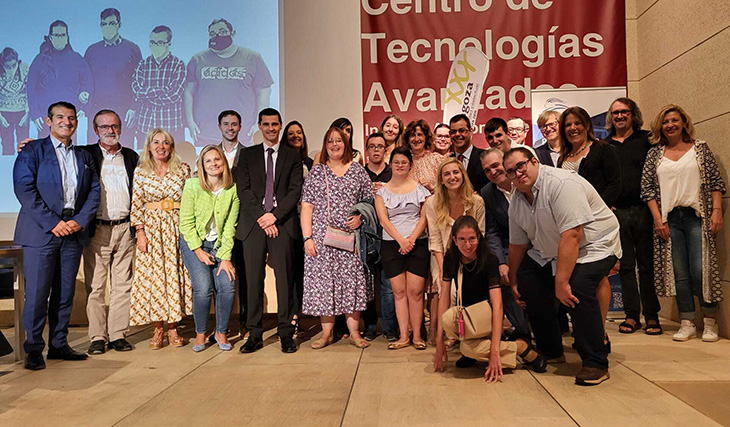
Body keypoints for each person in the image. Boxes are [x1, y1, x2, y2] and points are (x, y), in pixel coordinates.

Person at [505, 147, 622, 386]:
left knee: (576, 288)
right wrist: (514, 279)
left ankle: (595, 362)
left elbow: (573, 235)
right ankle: (551, 350)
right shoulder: (516, 201)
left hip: (594, 244)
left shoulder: (561, 183)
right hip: (551, 249)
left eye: (521, 165)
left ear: (534, 161)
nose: (517, 174)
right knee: (529, 282)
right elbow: (517, 245)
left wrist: (560, 282)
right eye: (510, 172)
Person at [13, 101, 100, 370]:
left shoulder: (84, 156)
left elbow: (94, 191)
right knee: (37, 294)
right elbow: (24, 189)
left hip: (72, 232)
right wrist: (53, 223)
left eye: (72, 117)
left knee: (64, 294)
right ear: (48, 121)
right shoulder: (33, 150)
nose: (67, 121)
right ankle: (34, 349)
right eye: (60, 117)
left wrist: (77, 221)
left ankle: (59, 344)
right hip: (41, 232)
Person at [641, 104, 726, 342]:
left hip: (696, 216)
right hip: (670, 220)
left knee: (701, 270)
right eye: (666, 121)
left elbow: (715, 182)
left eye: (675, 120)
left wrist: (717, 211)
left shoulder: (700, 149)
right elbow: (646, 189)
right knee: (679, 273)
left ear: (684, 123)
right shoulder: (655, 154)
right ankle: (687, 321)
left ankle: (710, 321)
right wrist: (658, 219)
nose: (670, 125)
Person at [433, 216, 546, 380]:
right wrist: (439, 342)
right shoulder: (451, 257)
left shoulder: (489, 259)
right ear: (454, 240)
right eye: (462, 240)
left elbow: (497, 304)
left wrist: (494, 352)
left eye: (472, 239)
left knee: (468, 349)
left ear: (478, 237)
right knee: (448, 319)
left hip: (489, 314)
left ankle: (521, 348)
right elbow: (444, 296)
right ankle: (483, 348)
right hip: (468, 314)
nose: (467, 245)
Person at [301, 126, 374, 349]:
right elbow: (307, 207)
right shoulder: (317, 172)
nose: (334, 145)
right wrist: (307, 238)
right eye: (330, 141)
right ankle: (326, 334)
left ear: (346, 144)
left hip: (351, 239)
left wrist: (361, 218)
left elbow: (370, 200)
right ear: (325, 145)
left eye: (339, 141)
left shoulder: (358, 171)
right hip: (322, 241)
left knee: (352, 283)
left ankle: (354, 332)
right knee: (324, 285)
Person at [236, 108, 302, 354]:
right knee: (253, 280)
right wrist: (263, 217)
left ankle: (286, 333)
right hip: (254, 225)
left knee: (285, 281)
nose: (271, 128)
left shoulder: (292, 156)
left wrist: (273, 216)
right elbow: (243, 190)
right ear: (259, 126)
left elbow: (295, 191)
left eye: (275, 124)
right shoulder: (248, 155)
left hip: (282, 224)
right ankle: (254, 333)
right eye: (266, 124)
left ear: (281, 125)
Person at [557, 106, 621, 347]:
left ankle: (600, 331)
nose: (572, 128)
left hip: (597, 224)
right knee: (578, 277)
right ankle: (585, 329)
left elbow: (615, 184)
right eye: (567, 125)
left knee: (598, 276)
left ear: (586, 125)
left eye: (577, 123)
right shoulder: (562, 158)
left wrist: (594, 211)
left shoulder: (603, 150)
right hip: (573, 226)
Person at [81, 110, 139, 354]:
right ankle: (97, 336)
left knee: (122, 285)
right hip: (97, 229)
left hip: (125, 228)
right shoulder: (85, 155)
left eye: (114, 126)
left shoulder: (131, 156)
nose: (110, 131)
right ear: (96, 130)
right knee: (96, 287)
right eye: (104, 127)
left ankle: (117, 335)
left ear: (121, 128)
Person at [129, 128, 192, 349]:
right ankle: (157, 330)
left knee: (174, 277)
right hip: (152, 230)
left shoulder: (183, 169)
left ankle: (173, 328)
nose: (161, 146)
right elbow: (136, 203)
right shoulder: (141, 172)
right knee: (155, 280)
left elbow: (189, 201)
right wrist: (140, 232)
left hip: (176, 228)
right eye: (156, 142)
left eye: (165, 142)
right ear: (148, 147)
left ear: (171, 147)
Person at [604, 98, 661, 335]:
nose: (619, 116)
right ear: (611, 117)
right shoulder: (604, 145)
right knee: (625, 266)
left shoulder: (647, 140)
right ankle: (631, 316)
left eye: (624, 112)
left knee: (647, 265)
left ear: (632, 114)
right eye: (615, 113)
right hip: (618, 213)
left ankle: (651, 316)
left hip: (644, 210)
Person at [180, 145, 239, 352]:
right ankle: (200, 332)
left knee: (227, 284)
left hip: (221, 245)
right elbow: (186, 223)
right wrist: (198, 250)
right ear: (202, 166)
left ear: (224, 162)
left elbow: (231, 226)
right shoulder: (192, 186)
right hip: (194, 244)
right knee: (204, 288)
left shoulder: (232, 189)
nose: (213, 164)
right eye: (208, 161)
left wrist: (225, 257)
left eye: (217, 160)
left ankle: (221, 331)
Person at [425, 157, 485, 347]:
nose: (452, 177)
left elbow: (480, 235)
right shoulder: (432, 203)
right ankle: (452, 333)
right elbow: (435, 240)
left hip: (471, 257)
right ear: (441, 179)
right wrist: (444, 270)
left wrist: (470, 262)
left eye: (456, 172)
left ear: (463, 175)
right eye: (447, 174)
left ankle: (473, 331)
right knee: (449, 291)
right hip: (443, 258)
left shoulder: (476, 202)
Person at [185, 18, 274, 146]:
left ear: (233, 33)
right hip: (205, 132)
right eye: (213, 33)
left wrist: (259, 123)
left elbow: (264, 92)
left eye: (222, 31)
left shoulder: (252, 58)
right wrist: (190, 121)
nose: (217, 36)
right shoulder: (198, 59)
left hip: (243, 133)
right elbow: (188, 92)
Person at [375, 147, 430, 350]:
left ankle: (417, 336)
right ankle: (403, 336)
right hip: (391, 244)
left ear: (410, 165)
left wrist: (412, 239)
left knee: (415, 292)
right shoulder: (381, 192)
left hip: (417, 244)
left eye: (404, 162)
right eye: (396, 162)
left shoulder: (420, 190)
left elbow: (424, 218)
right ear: (391, 164)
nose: (399, 165)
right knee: (398, 292)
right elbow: (383, 220)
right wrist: (401, 241)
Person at [478, 148, 533, 342]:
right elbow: (492, 232)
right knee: (500, 276)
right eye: (487, 170)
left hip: (539, 247)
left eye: (495, 166)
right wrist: (501, 261)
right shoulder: (487, 193)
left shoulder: (526, 182)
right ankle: (522, 330)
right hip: (510, 250)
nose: (493, 172)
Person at [83, 8, 142, 147]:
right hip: (97, 112)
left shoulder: (132, 49)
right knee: (95, 156)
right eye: (104, 24)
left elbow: (140, 82)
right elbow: (84, 81)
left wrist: (134, 107)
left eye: (112, 23)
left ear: (119, 25)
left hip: (124, 112)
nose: (108, 27)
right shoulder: (92, 51)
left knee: (124, 154)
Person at [27, 21, 93, 136]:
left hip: (69, 119)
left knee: (68, 153)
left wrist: (84, 106)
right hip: (46, 118)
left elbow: (88, 82)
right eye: (56, 35)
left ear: (67, 37)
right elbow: (31, 87)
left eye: (62, 35)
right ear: (50, 38)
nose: (60, 38)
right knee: (46, 153)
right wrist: (35, 114)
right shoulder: (40, 60)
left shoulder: (76, 59)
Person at [215, 109, 247, 334]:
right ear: (220, 127)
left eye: (234, 124)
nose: (230, 128)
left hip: (242, 224)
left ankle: (245, 323)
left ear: (240, 127)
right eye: (226, 124)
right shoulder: (210, 154)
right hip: (216, 227)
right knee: (219, 279)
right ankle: (220, 326)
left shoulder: (249, 154)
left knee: (244, 276)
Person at [361, 133, 395, 341]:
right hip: (365, 234)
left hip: (389, 233)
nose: (376, 150)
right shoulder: (359, 173)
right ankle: (370, 325)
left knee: (388, 283)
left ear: (385, 150)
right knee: (366, 283)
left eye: (380, 146)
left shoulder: (393, 173)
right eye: (372, 146)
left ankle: (390, 327)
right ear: (367, 150)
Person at [132, 26, 187, 147]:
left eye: (160, 42)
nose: (155, 46)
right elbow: (137, 91)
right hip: (145, 127)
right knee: (145, 165)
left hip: (171, 127)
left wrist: (147, 95)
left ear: (168, 44)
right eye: (152, 42)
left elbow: (174, 95)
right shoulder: (143, 64)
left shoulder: (178, 65)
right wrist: (163, 91)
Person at [281, 119, 311, 336]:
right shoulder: (278, 162)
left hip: (308, 227)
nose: (295, 137)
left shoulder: (310, 163)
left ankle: (299, 315)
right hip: (288, 223)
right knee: (289, 274)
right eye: (290, 134)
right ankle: (291, 318)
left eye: (298, 133)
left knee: (302, 274)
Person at [0, 48, 29, 155]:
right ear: (2, 64)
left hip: (22, 112)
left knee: (24, 143)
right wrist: (0, 117)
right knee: (7, 143)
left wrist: (27, 112)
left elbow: (31, 91)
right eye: (7, 67)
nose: (11, 70)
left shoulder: (25, 68)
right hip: (4, 113)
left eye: (14, 65)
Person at [450, 114, 487, 192]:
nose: (457, 134)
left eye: (462, 130)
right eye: (453, 131)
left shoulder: (484, 157)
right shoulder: (448, 160)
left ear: (471, 131)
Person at [404, 119, 443, 193]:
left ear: (426, 137)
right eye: (412, 135)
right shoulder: (403, 161)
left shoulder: (437, 159)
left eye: (419, 135)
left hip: (433, 203)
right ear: (408, 139)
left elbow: (448, 188)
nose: (416, 139)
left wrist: (432, 188)